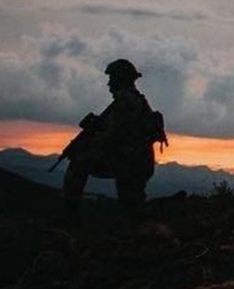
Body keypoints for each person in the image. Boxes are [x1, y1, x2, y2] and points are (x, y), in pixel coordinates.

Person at [58, 59, 165, 224]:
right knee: (133, 210)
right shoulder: (131, 100)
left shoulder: (127, 101)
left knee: (79, 163)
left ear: (120, 79)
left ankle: (68, 219)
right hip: (134, 162)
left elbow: (113, 137)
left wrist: (83, 144)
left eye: (112, 78)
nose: (108, 83)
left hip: (131, 163)